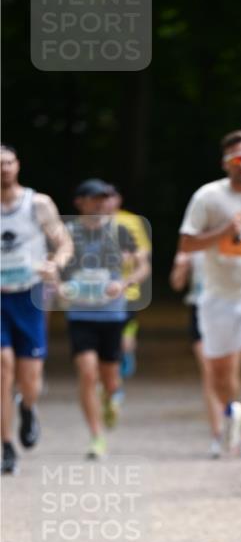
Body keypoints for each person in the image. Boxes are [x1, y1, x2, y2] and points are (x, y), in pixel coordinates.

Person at [178, 130, 241, 486]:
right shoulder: (208, 197)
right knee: (221, 379)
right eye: (236, 160)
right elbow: (187, 242)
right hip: (217, 298)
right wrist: (222, 232)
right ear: (226, 164)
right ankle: (229, 411)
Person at [60, 179, 149, 459]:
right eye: (94, 198)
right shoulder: (67, 232)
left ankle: (112, 399)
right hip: (80, 313)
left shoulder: (121, 231)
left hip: (112, 313)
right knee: (87, 373)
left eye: (105, 198)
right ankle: (96, 436)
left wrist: (124, 284)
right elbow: (54, 263)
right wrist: (58, 282)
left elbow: (142, 266)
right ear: (80, 203)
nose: (101, 203)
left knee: (111, 377)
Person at [1, 144, 73, 474]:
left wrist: (54, 264)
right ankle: (6, 445)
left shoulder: (38, 203)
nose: (4, 169)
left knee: (30, 377)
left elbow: (64, 242)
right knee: (4, 366)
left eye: (8, 162)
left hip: (28, 295)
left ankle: (28, 407)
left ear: (18, 165)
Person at [169, 246, 224, 457]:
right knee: (210, 372)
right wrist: (181, 267)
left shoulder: (238, 230)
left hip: (229, 308)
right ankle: (218, 434)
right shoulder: (192, 238)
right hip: (200, 309)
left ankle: (232, 419)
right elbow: (176, 283)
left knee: (227, 373)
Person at [104, 186, 152, 380]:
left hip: (127, 290)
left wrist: (128, 260)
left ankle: (124, 358)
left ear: (119, 199)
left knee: (124, 332)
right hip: (96, 292)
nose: (106, 201)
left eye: (110, 197)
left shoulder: (131, 221)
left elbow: (143, 253)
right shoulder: (88, 223)